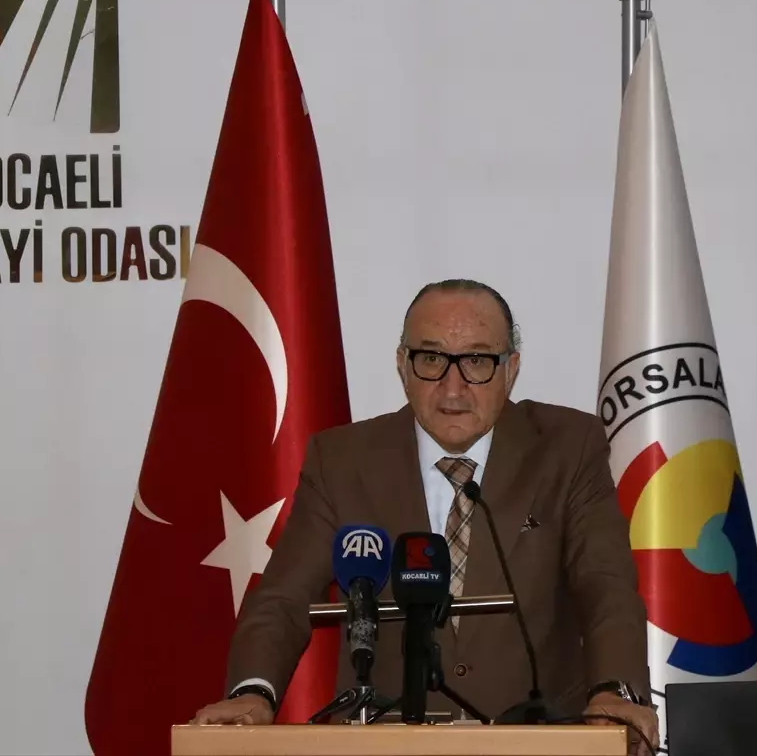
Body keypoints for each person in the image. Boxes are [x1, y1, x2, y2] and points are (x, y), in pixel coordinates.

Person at [193, 279, 658, 750]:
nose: (453, 388)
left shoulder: (567, 448)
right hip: (383, 742)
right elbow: (283, 599)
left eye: (477, 361)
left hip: (537, 738)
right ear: (402, 364)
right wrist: (252, 692)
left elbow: (605, 585)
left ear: (510, 369)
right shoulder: (343, 461)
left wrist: (615, 690)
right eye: (432, 359)